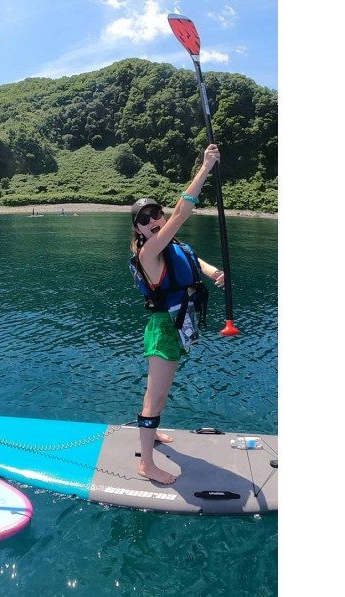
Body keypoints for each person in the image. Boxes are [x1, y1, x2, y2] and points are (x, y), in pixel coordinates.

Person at [128, 144, 225, 484]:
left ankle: (151, 435)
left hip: (177, 323)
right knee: (156, 397)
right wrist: (205, 167)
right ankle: (147, 464)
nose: (153, 220)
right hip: (164, 329)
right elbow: (182, 213)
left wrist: (213, 273)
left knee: (158, 390)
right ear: (138, 230)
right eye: (145, 219)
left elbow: (191, 260)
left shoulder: (170, 247)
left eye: (156, 214)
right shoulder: (149, 252)